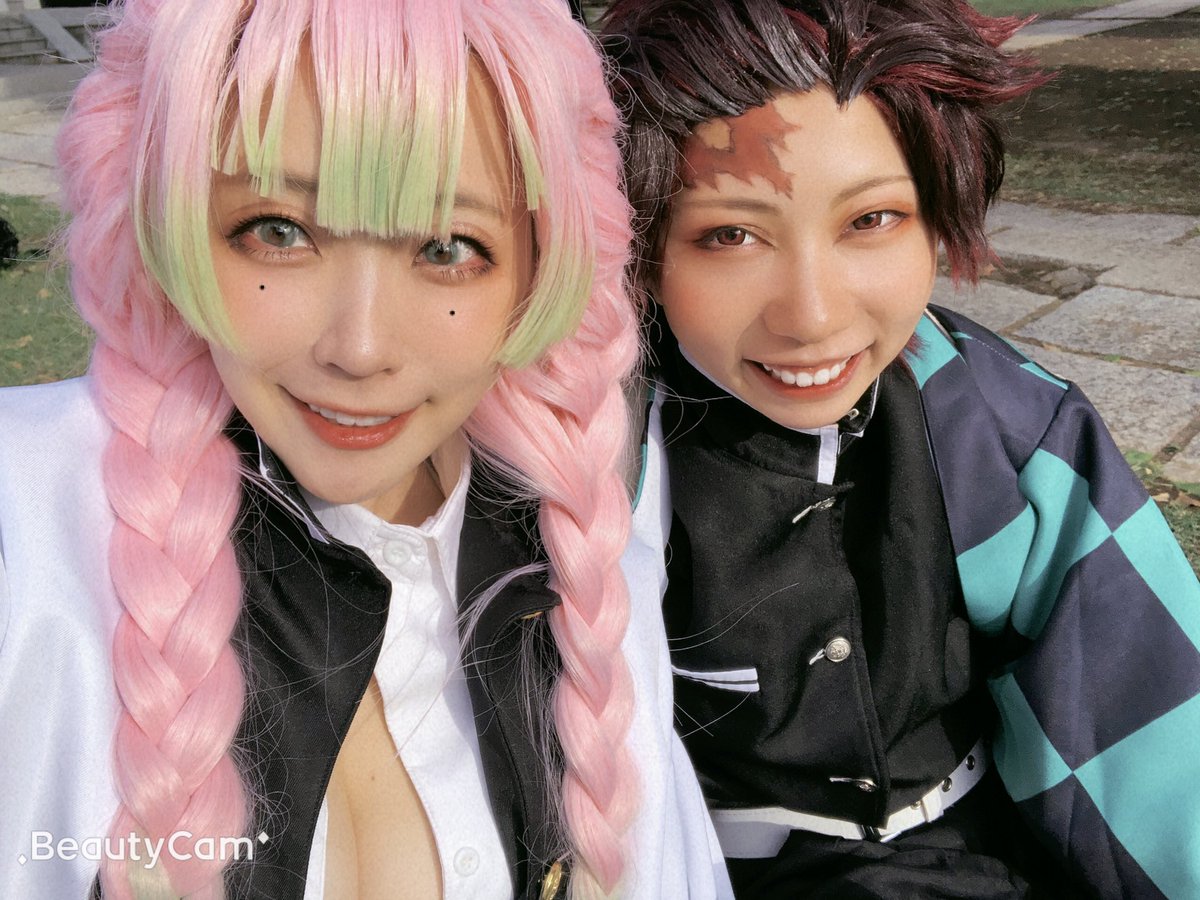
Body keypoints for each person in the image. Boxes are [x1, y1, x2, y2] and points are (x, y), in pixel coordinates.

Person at [0, 1, 732, 898]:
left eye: (448, 247)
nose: (360, 347)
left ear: (540, 266)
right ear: (163, 220)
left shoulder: (594, 578)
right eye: (278, 231)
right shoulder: (23, 526)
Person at [601, 0, 1200, 897]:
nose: (811, 316)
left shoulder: (1005, 430)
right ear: (642, 246)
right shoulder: (592, 450)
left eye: (871, 220)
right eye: (730, 235)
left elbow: (1151, 733)